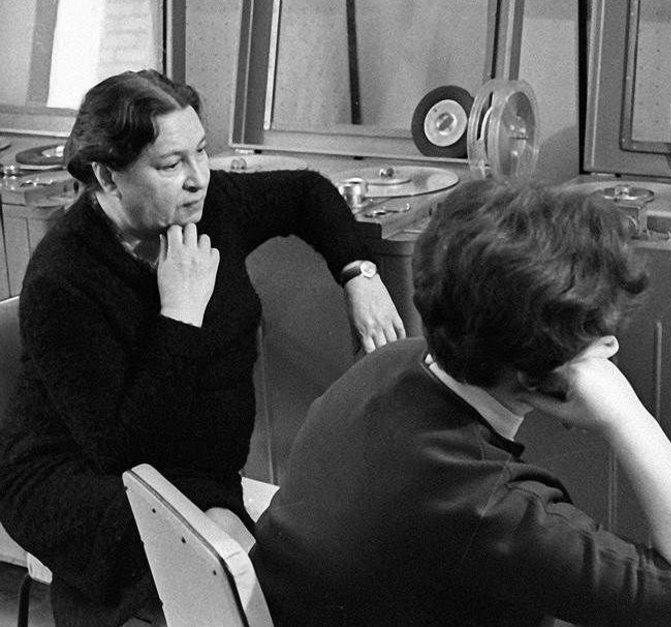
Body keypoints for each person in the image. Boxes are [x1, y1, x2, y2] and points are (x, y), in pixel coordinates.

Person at [250, 178, 671, 626]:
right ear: (547, 370)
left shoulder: (384, 367)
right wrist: (628, 417)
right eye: (601, 341)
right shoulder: (488, 507)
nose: (612, 348)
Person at [0, 69, 404, 626]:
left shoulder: (207, 205)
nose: (199, 179)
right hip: (84, 480)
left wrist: (358, 273)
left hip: (192, 461)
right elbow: (121, 449)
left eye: (202, 151)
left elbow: (306, 193)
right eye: (171, 165)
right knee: (243, 583)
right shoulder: (63, 280)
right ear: (108, 177)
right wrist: (180, 315)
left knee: (303, 573)